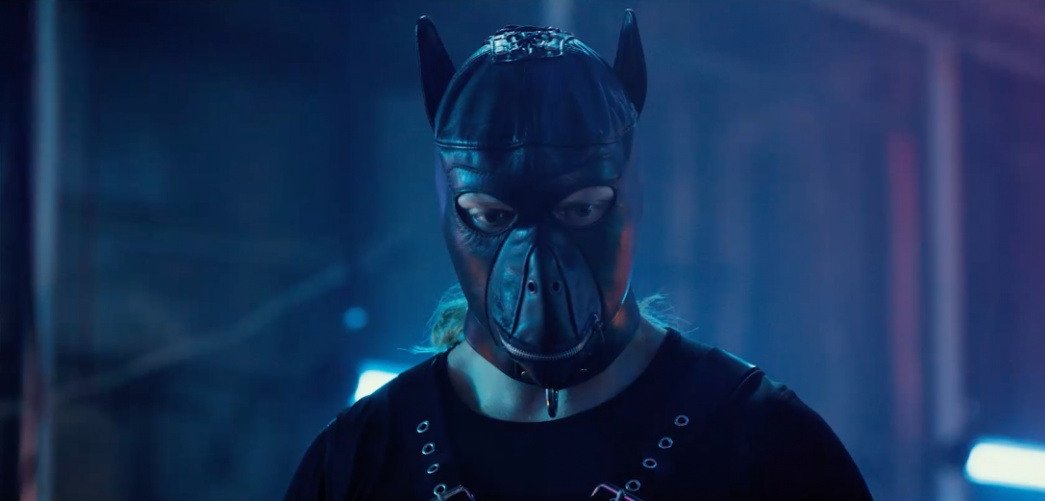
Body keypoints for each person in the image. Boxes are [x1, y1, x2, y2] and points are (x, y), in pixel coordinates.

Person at [286, 11, 871, 500]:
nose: (539, 262)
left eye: (581, 209)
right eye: (491, 216)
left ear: (629, 199)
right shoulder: (361, 458)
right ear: (452, 210)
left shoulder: (762, 440)